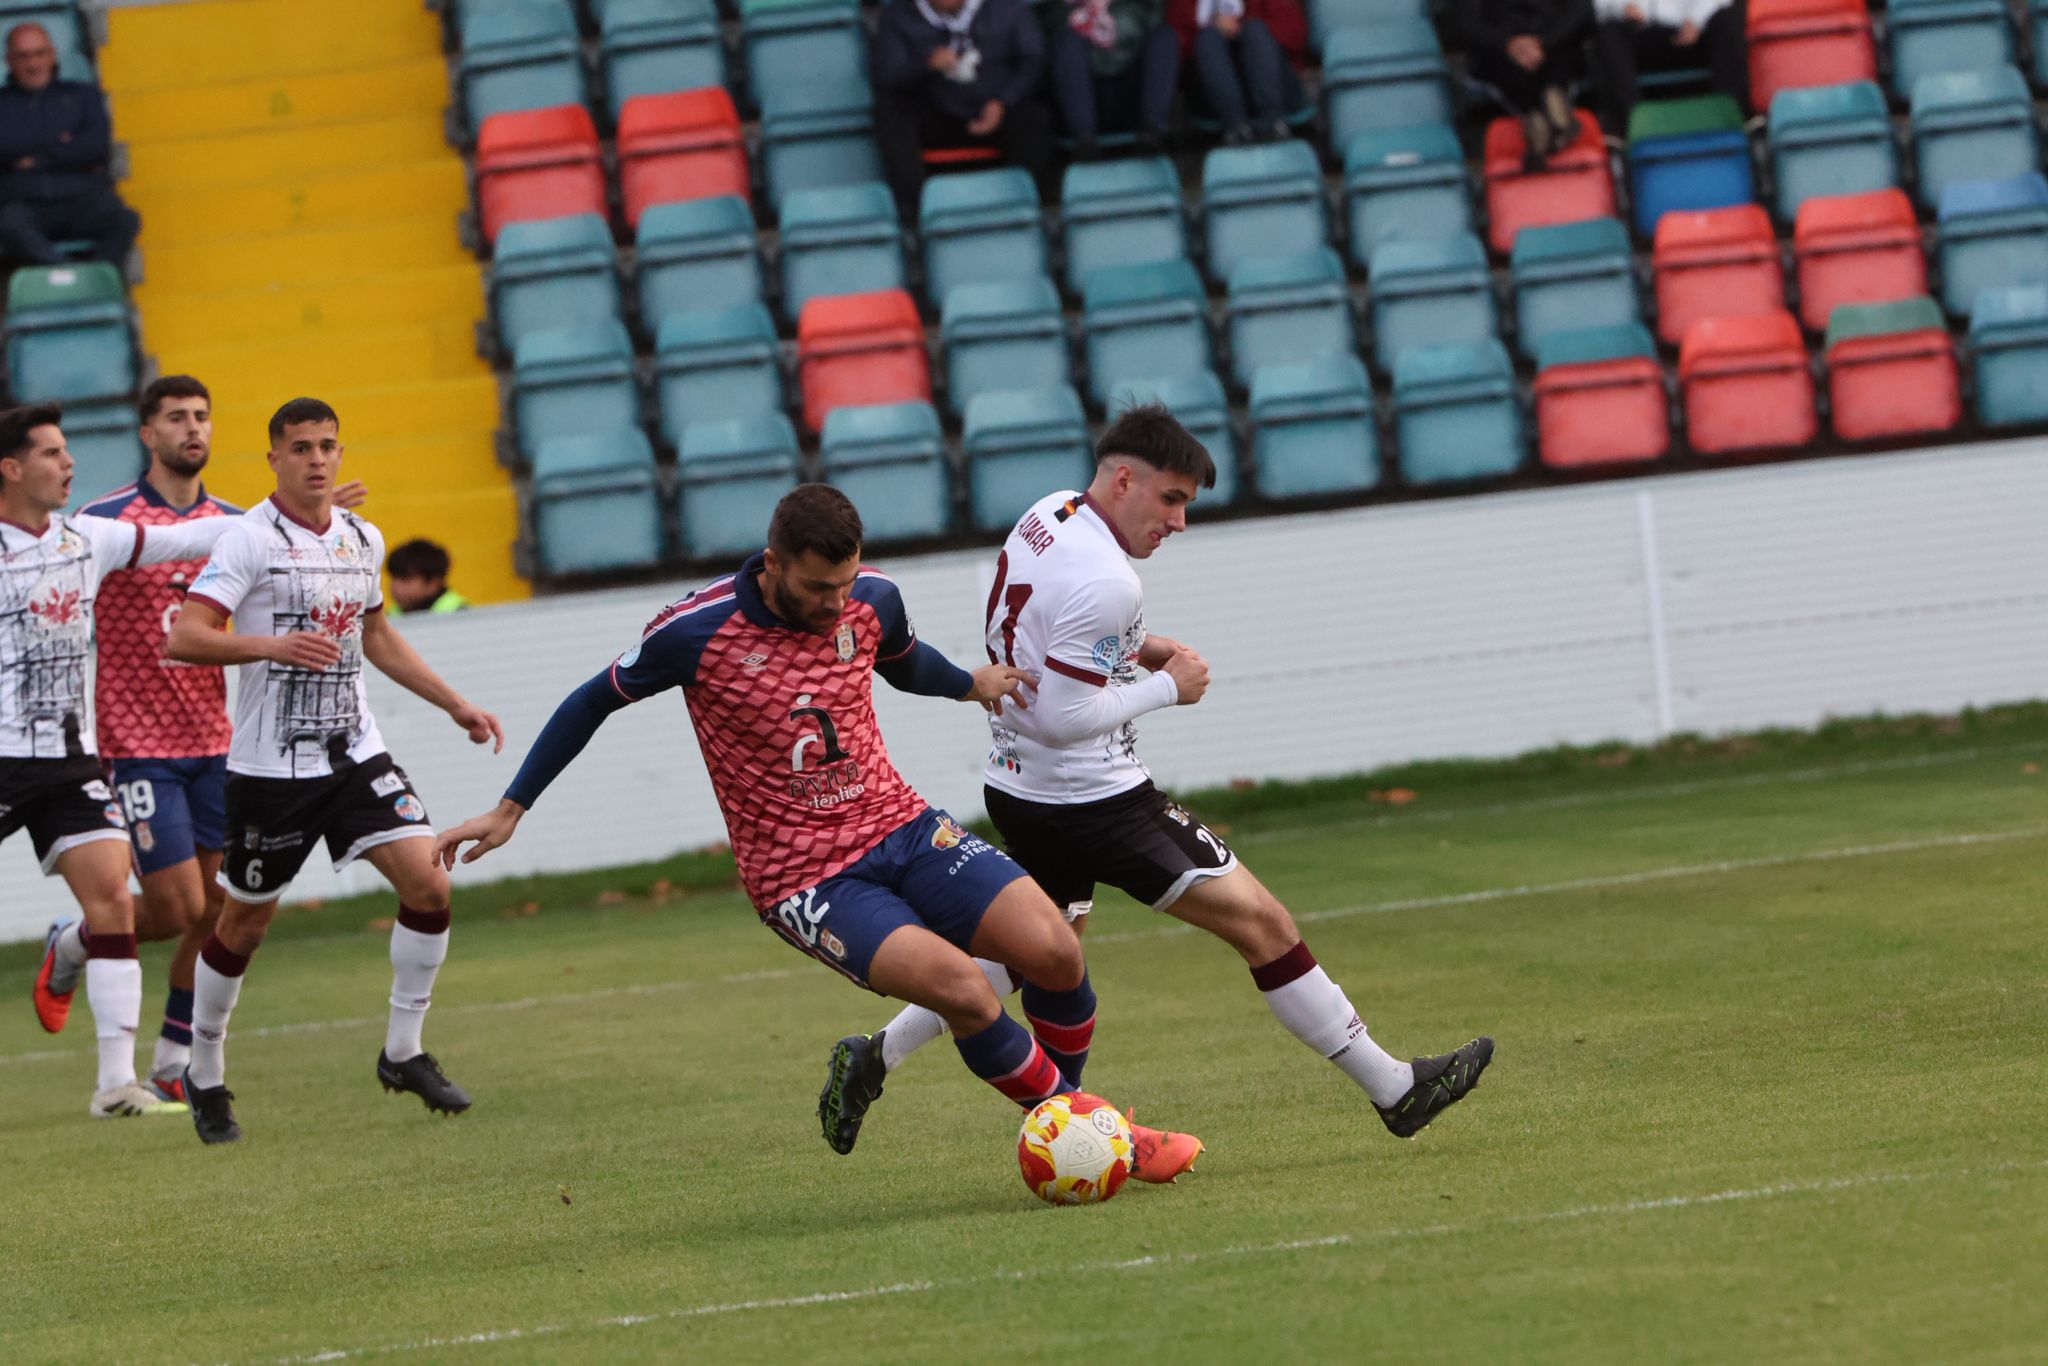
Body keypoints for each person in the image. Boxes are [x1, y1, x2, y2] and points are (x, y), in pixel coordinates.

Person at [431, 484, 1204, 1182]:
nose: (836, 604)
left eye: (844, 584)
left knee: (1054, 951)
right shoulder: (695, 631)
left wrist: (969, 682)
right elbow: (588, 702)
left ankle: (1079, 1127)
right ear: (772, 564)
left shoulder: (872, 599)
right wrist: (510, 808)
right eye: (815, 588)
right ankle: (1112, 1143)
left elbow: (901, 661)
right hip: (807, 879)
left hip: (902, 826)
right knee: (966, 990)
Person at [825, 406, 1494, 1152]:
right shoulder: (1112, 582)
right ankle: (1395, 1089)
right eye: (1170, 500)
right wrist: (1170, 686)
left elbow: (1048, 631)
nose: (1178, 522)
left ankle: (875, 1054)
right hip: (1096, 799)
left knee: (1038, 951)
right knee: (1263, 925)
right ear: (1123, 479)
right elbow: (1063, 715)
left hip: (1020, 785)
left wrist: (1136, 650)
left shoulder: (1050, 513)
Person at [164, 398, 504, 1145]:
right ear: (274, 460)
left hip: (355, 753)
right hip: (269, 769)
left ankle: (403, 1052)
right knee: (243, 924)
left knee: (429, 882)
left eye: (327, 446)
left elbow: (376, 633)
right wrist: (269, 648)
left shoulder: (361, 535)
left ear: (340, 454)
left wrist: (456, 704)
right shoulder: (250, 541)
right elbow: (185, 638)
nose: (316, 459)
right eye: (300, 448)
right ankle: (206, 1067)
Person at [3, 401, 249, 1118]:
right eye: (51, 453)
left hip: (69, 763)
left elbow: (195, 536)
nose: (68, 463)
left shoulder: (88, 539)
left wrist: (288, 514)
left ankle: (116, 1084)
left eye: (67, 450)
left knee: (113, 899)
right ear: (11, 469)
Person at [873, 0, 1059, 215]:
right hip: (938, 116)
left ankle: (1032, 209)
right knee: (891, 113)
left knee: (1034, 116)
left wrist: (1003, 101)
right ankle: (916, 212)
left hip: (999, 111)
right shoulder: (897, 16)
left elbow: (1033, 61)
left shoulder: (1007, 7)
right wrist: (926, 65)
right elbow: (888, 74)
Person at [0, 22, 139, 269]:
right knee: (7, 224)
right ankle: (72, 275)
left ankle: (96, 277)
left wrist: (33, 158)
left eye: (39, 54)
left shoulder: (83, 96)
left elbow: (95, 147)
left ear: (52, 55)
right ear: (9, 60)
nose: (33, 64)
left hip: (81, 199)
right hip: (25, 204)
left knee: (125, 220)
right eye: (23, 56)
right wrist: (63, 145)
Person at [1455, 0, 1594, 167]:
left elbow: (1581, 12)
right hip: (1502, 51)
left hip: (1554, 45)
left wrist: (1544, 43)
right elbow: (1466, 24)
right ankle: (1553, 117)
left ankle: (1537, 122)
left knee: (1560, 60)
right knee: (1506, 68)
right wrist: (1507, 45)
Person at [1049, 0, 1181, 156]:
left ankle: (1153, 131)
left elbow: (1153, 17)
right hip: (1082, 94)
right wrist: (1078, 19)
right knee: (1068, 44)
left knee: (1164, 37)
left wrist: (1105, 20)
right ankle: (1084, 140)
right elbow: (1042, 26)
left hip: (1131, 90)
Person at [1166, 0, 1307, 146]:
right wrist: (1215, 28)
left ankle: (1273, 124)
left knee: (1254, 30)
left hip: (1274, 86)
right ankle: (1236, 129)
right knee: (1208, 38)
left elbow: (1295, 36)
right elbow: (1174, 54)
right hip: (1213, 97)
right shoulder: (1183, 4)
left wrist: (1238, 27)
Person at [1595, 0, 1748, 132]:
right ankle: (1632, 128)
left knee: (1729, 19)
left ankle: (1730, 119)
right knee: (1608, 34)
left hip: (1693, 31)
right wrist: (1621, 7)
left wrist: (1697, 19)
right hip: (1640, 34)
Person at [387, 538, 469, 616]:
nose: (395, 587)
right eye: (394, 578)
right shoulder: (389, 617)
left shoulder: (460, 614)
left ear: (433, 582)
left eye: (405, 580)